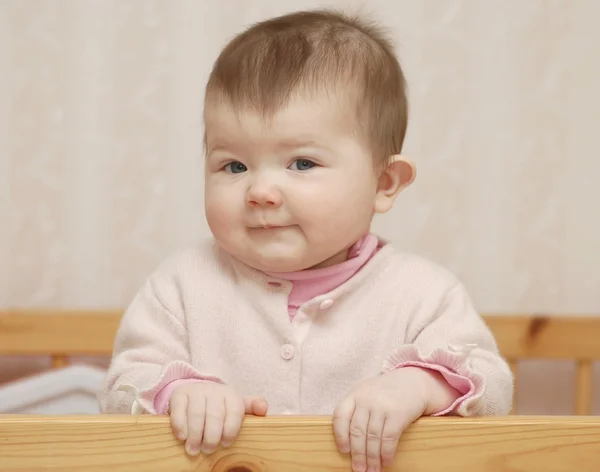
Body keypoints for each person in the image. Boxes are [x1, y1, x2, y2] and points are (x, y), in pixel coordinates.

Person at [99, 9, 513, 472]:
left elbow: (491, 387)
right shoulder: (180, 285)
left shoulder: (422, 295)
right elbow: (121, 388)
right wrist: (178, 393)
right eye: (234, 166)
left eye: (301, 163)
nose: (260, 192)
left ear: (384, 183)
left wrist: (417, 386)